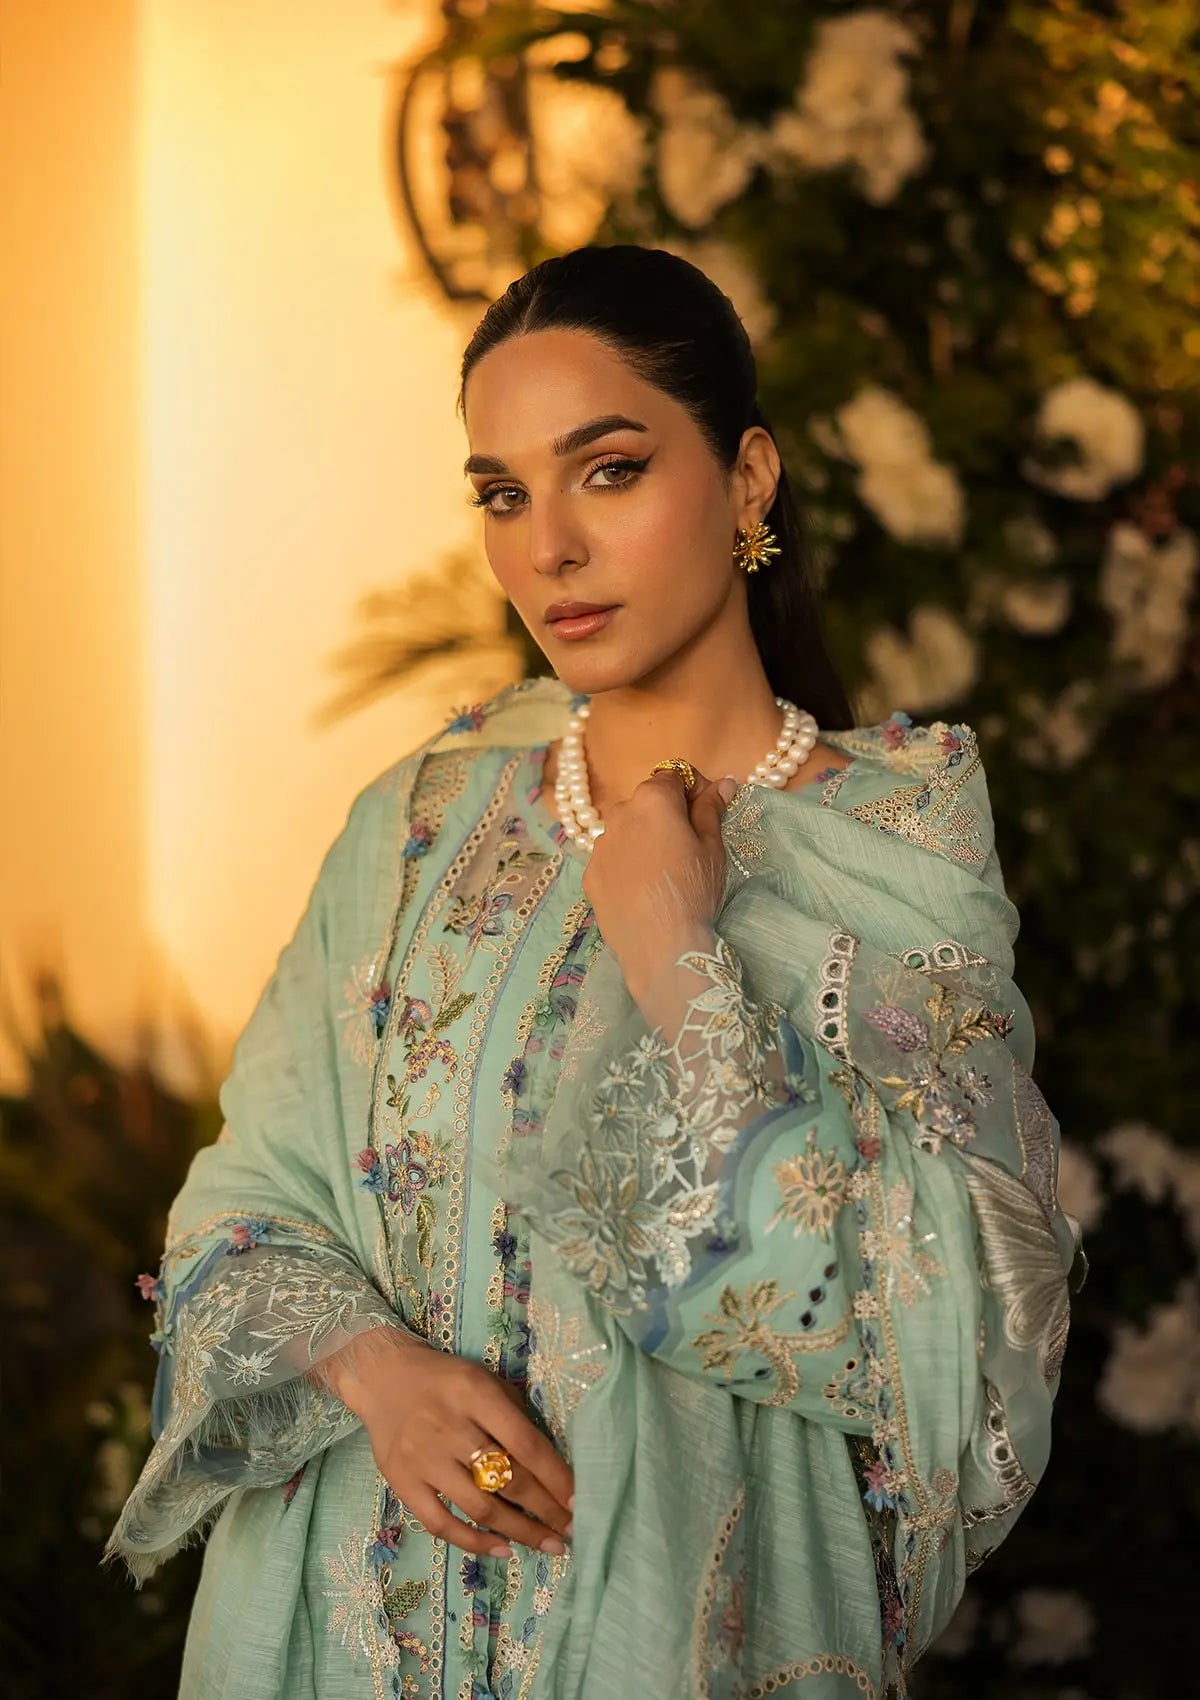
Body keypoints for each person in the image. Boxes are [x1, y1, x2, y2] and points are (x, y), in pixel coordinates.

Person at [107, 244, 1085, 1700]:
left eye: (608, 472)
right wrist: (378, 1372)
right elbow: (242, 1204)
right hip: (356, 1633)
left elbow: (951, 1356)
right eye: (502, 494)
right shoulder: (419, 828)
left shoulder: (891, 849)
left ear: (748, 480)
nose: (547, 548)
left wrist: (675, 951)